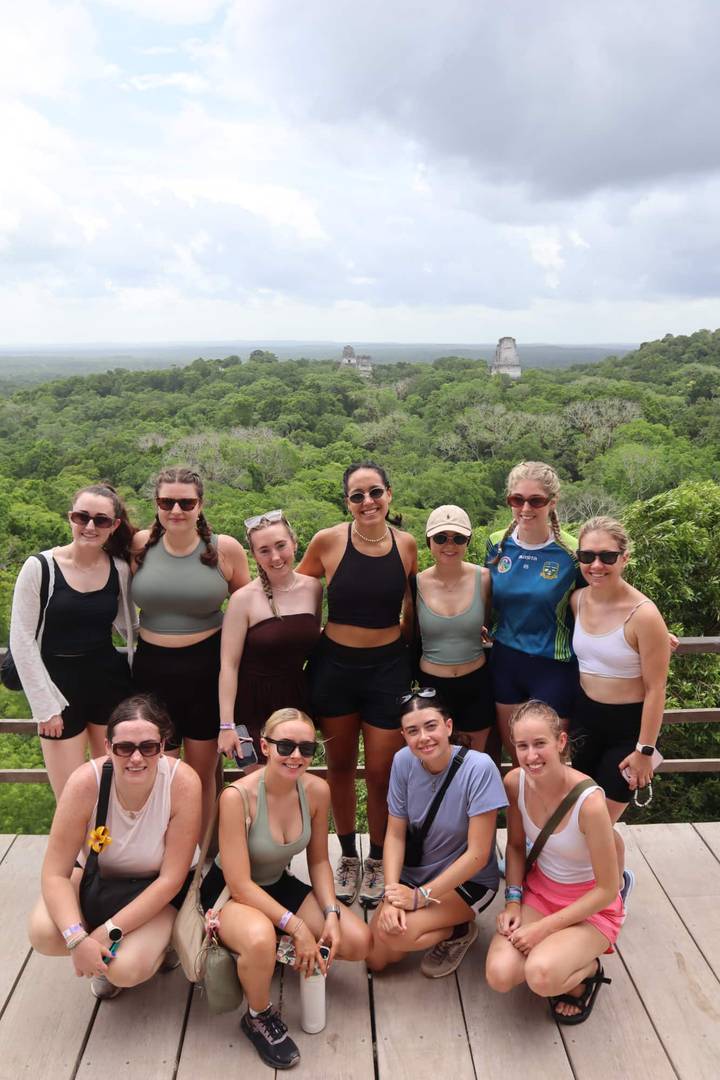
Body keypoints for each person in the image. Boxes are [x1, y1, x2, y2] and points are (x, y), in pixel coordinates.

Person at [201, 708, 370, 1071]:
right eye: (285, 746)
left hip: (276, 884)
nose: (296, 756)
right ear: (264, 746)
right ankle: (258, 1015)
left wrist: (331, 914)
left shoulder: (316, 791)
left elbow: (321, 862)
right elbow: (239, 883)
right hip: (229, 893)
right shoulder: (237, 797)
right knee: (261, 936)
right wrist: (295, 926)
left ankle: (272, 951)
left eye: (307, 748)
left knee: (358, 941)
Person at [297, 461, 417, 908]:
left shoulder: (405, 545)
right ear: (346, 501)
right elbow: (295, 593)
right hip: (336, 666)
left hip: (388, 667)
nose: (367, 502)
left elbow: (412, 608)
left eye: (375, 492)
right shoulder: (327, 541)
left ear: (389, 494)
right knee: (340, 768)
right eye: (357, 495)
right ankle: (347, 854)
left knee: (384, 774)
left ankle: (380, 859)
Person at [28, 694, 201, 1001]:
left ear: (162, 746)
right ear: (108, 748)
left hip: (159, 889)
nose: (136, 758)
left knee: (126, 968)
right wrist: (76, 939)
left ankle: (162, 945)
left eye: (148, 747)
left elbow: (170, 880)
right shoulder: (85, 782)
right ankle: (105, 953)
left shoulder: (181, 782)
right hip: (100, 879)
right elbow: (55, 872)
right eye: (124, 748)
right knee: (43, 933)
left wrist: (103, 933)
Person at [485, 700, 622, 1024]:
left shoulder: (589, 803)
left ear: (560, 742)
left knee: (541, 976)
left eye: (540, 744)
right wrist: (513, 903)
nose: (531, 755)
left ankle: (587, 971)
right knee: (499, 975)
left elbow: (607, 889)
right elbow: (516, 848)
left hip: (591, 905)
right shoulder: (515, 783)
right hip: (543, 893)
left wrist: (542, 930)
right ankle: (559, 952)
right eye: (522, 746)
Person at [131, 467, 250, 834]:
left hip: (206, 670)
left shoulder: (224, 548)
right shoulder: (140, 545)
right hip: (152, 670)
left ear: (201, 505)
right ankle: (163, 857)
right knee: (156, 769)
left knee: (199, 775)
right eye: (167, 502)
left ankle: (205, 859)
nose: (176, 510)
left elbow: (248, 608)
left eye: (186, 502)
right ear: (156, 504)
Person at [9, 483, 137, 798]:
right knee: (71, 795)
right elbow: (22, 639)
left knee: (112, 786)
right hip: (58, 689)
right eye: (82, 517)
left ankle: (107, 849)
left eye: (101, 520)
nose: (90, 526)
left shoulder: (118, 569)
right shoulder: (40, 568)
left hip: (107, 683)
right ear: (71, 518)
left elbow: (130, 626)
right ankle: (83, 851)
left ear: (115, 525)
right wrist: (44, 707)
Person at [367, 689, 506, 978]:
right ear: (403, 736)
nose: (423, 737)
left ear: (448, 726)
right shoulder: (403, 761)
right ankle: (431, 920)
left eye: (431, 726)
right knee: (376, 958)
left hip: (468, 880)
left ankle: (458, 929)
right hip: (415, 873)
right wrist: (392, 894)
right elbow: (395, 833)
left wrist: (421, 897)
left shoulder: (479, 769)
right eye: (413, 731)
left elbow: (478, 855)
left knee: (397, 936)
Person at [569, 517, 671, 901]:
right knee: (574, 815)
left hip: (627, 730)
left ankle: (615, 884)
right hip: (584, 721)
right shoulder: (578, 600)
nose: (596, 565)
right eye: (587, 555)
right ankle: (585, 887)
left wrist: (645, 751)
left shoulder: (643, 614)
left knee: (599, 822)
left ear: (625, 558)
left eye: (607, 556)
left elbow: (656, 688)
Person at [486, 461, 581, 754]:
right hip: (505, 661)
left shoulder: (573, 551)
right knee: (518, 757)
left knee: (549, 760)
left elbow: (604, 597)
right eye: (517, 499)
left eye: (535, 500)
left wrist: (643, 627)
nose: (525, 508)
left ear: (552, 503)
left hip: (554, 664)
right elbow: (482, 593)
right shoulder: (496, 544)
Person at [218, 510, 322, 762]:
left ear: (295, 544)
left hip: (295, 701)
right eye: (264, 550)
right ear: (254, 555)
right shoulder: (243, 599)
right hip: (251, 704)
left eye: (281, 546)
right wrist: (227, 725)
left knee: (291, 784)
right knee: (254, 789)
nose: (275, 557)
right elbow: (229, 665)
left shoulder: (314, 588)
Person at [414, 505, 494, 752]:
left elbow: (490, 623)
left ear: (468, 541)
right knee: (434, 759)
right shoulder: (415, 583)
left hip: (476, 683)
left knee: (474, 762)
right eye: (441, 538)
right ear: (429, 541)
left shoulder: (484, 579)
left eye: (458, 538)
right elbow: (409, 631)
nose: (449, 545)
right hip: (432, 687)